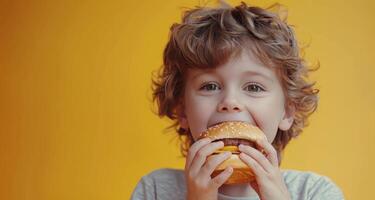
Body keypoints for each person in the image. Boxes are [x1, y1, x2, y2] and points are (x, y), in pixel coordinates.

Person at [131, 1, 344, 200]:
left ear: (287, 112)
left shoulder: (313, 191)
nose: (230, 102)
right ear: (183, 110)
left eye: (253, 87)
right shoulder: (155, 189)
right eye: (210, 86)